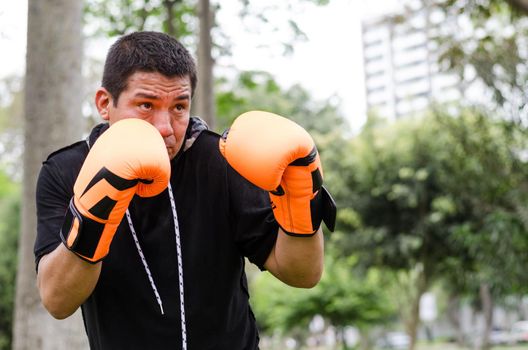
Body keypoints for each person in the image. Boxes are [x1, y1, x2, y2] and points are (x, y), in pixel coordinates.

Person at [34, 31, 335, 350]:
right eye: (146, 105)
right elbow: (56, 300)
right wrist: (95, 206)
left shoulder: (220, 160)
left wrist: (301, 195)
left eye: (179, 107)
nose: (165, 127)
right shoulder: (66, 170)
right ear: (105, 103)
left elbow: (303, 274)